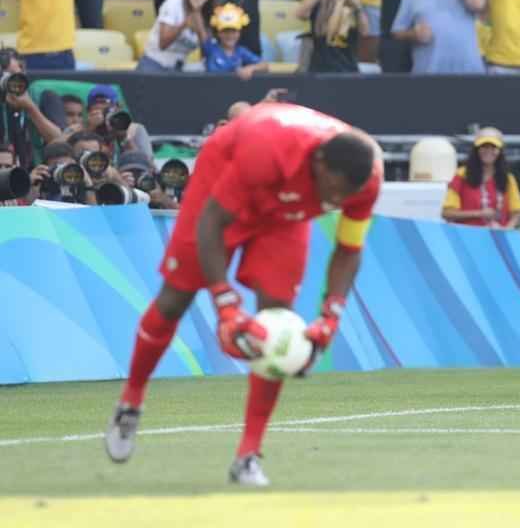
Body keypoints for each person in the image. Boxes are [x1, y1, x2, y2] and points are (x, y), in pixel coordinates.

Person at [103, 102, 382, 486]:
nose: (335, 202)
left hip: (288, 208)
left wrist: (331, 315)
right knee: (176, 297)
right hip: (226, 181)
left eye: (344, 197)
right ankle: (131, 402)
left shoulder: (367, 179)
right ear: (318, 163)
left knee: (278, 319)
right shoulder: (266, 150)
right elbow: (212, 223)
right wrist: (225, 303)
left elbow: (349, 249)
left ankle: (247, 455)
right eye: (332, 191)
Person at [442, 126, 520, 228]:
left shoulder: (508, 178)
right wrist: (480, 213)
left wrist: (506, 230)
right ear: (476, 150)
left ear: (500, 151)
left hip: (498, 235)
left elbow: (517, 213)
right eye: (484, 146)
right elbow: (447, 213)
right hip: (467, 235)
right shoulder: (461, 175)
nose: (489, 151)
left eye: (493, 147)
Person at [138, 0, 217, 72]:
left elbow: (208, 53)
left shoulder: (210, 14)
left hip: (178, 69)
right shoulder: (173, 4)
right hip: (153, 64)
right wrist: (184, 25)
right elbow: (163, 44)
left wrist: (197, 14)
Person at [297, 0, 366, 73]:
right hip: (319, 69)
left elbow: (364, 31)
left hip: (348, 69)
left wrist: (358, 7)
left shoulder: (354, 1)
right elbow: (300, 14)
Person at [203, 2, 266, 79]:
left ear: (239, 33)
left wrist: (250, 68)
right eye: (225, 31)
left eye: (234, 31)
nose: (230, 35)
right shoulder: (211, 48)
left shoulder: (241, 51)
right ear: (218, 33)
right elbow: (201, 32)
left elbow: (264, 65)